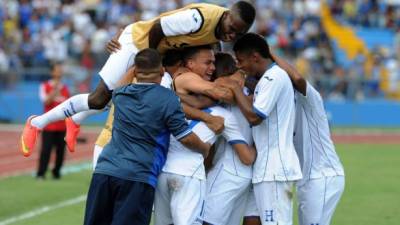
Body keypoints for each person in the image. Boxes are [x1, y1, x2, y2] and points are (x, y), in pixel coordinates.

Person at [20, 1, 256, 156]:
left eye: (239, 32)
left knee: (121, 97)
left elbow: (217, 60)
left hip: (153, 54)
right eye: (231, 27)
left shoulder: (217, 38)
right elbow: (156, 28)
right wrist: (150, 58)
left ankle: (76, 119)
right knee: (100, 98)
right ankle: (37, 123)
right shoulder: (199, 19)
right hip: (137, 43)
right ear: (226, 14)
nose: (232, 34)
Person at [83, 48, 211, 225]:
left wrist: (134, 68)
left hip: (105, 170)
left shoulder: (121, 94)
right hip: (138, 176)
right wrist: (204, 148)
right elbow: (186, 137)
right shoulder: (168, 98)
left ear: (135, 71)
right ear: (161, 71)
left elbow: (120, 84)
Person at [154, 46, 256, 225]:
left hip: (163, 171)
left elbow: (197, 101)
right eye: (208, 63)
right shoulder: (223, 116)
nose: (210, 68)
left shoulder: (176, 107)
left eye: (213, 64)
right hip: (191, 173)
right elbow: (247, 157)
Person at [219, 33, 303, 225]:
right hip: (267, 167)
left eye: (241, 60)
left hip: (275, 168)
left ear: (255, 57)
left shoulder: (274, 78)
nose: (239, 66)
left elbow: (254, 116)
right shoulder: (268, 78)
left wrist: (234, 88)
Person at [271, 52, 345, 225]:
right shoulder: (283, 107)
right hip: (307, 179)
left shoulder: (310, 98)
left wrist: (268, 52)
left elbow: (298, 79)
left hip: (323, 175)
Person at [201, 52, 260, 225]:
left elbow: (246, 157)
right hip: (244, 176)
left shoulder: (225, 101)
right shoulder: (250, 94)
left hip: (226, 171)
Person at [35, 62, 70, 179]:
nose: (59, 72)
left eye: (60, 70)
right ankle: (41, 173)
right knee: (46, 151)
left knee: (60, 152)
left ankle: (56, 172)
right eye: (57, 70)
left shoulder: (65, 88)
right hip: (49, 126)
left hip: (62, 126)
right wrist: (55, 90)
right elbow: (46, 101)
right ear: (52, 72)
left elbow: (68, 106)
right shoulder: (45, 86)